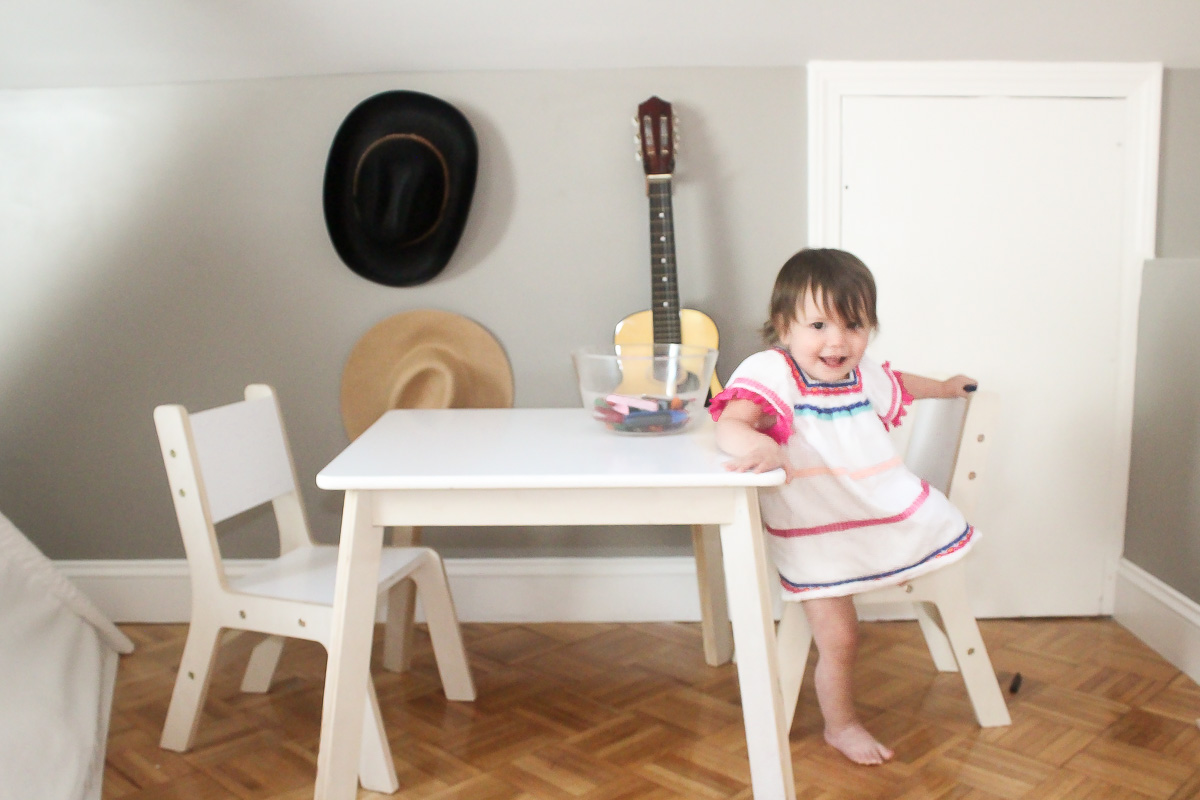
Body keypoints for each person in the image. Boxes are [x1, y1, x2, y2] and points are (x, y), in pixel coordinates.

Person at [710, 247, 979, 766]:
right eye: (817, 325)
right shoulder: (773, 371)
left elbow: (899, 384)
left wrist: (943, 388)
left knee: (915, 539)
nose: (837, 340)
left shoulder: (864, 374)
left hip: (872, 512)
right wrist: (759, 445)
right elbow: (728, 423)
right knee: (841, 638)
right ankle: (842, 723)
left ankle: (844, 716)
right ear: (783, 328)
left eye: (853, 324)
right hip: (815, 530)